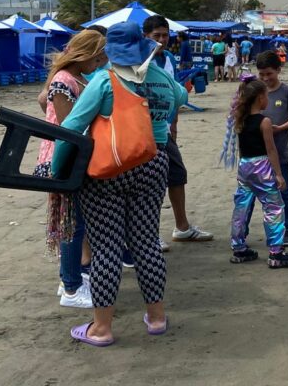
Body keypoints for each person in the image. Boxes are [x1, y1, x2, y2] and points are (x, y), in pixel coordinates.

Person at [56, 21, 188, 346]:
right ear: (143, 47)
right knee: (145, 241)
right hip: (153, 163)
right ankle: (156, 318)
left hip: (109, 168)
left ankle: (101, 328)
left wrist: (59, 172)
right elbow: (182, 95)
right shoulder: (159, 76)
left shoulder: (104, 80)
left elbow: (71, 129)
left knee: (106, 247)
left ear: (110, 52)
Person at [36, 29, 108, 309]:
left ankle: (72, 277)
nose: (100, 62)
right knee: (72, 225)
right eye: (98, 56)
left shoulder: (76, 78)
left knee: (76, 223)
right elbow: (70, 127)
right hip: (62, 159)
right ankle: (71, 286)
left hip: (70, 158)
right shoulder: (64, 81)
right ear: (86, 53)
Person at [142, 15, 213, 246]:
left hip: (164, 128)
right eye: (156, 36)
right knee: (148, 184)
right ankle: (147, 235)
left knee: (177, 175)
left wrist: (174, 124)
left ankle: (182, 226)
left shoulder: (169, 59)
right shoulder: (140, 62)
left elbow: (174, 95)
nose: (162, 40)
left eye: (165, 34)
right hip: (142, 131)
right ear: (146, 37)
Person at [228, 78, 288, 268]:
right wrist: (278, 174)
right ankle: (276, 252)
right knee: (274, 207)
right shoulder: (265, 122)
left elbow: (242, 149)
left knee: (241, 206)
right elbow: (271, 150)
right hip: (262, 167)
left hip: (245, 166)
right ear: (260, 99)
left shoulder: (240, 120)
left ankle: (238, 246)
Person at [243, 51, 288, 246]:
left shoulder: (287, 92)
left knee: (283, 192)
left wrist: (280, 128)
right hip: (254, 156)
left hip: (280, 153)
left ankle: (286, 230)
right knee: (248, 196)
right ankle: (242, 232)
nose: (266, 78)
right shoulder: (254, 92)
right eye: (262, 74)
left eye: (269, 73)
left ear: (278, 70)